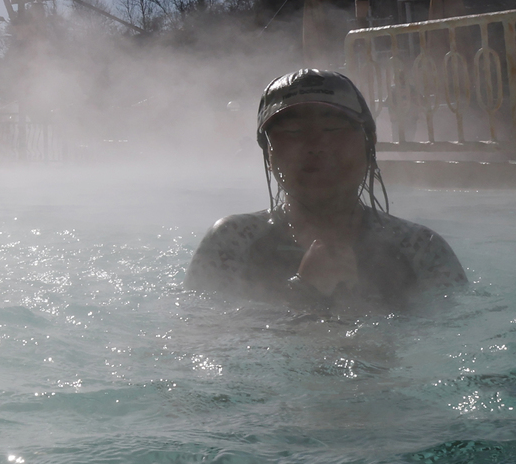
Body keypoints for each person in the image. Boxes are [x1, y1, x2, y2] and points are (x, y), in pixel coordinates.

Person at [186, 67, 465, 311]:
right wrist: (304, 293)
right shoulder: (231, 244)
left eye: (333, 128)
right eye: (293, 132)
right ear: (268, 154)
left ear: (370, 142)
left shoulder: (421, 251)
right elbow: (202, 343)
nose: (315, 145)